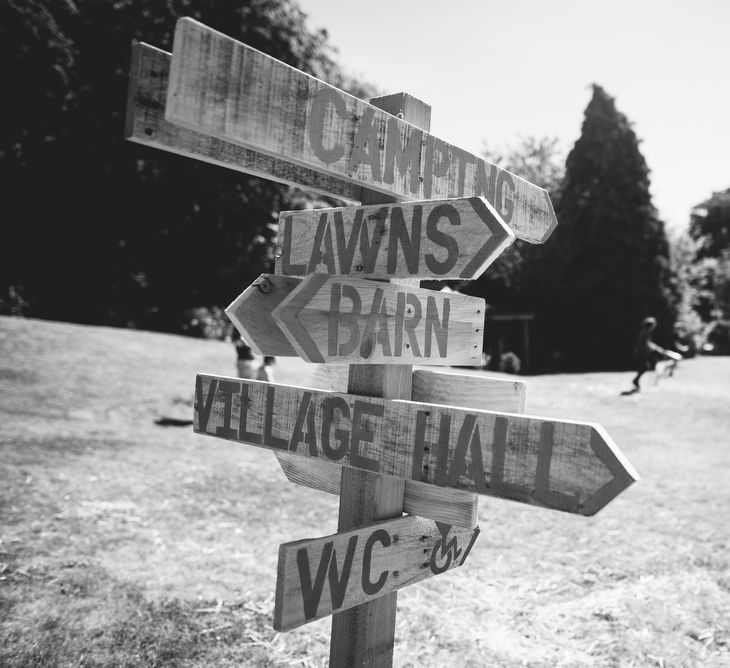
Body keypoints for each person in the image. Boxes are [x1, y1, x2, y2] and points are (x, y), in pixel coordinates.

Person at [630, 316, 666, 392]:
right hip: (642, 352)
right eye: (653, 325)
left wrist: (656, 348)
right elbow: (647, 343)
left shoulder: (645, 331)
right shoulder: (646, 332)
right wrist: (657, 348)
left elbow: (647, 343)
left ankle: (636, 381)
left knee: (644, 367)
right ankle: (635, 380)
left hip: (643, 352)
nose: (654, 327)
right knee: (644, 367)